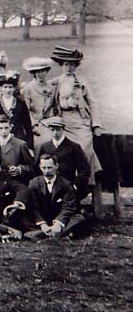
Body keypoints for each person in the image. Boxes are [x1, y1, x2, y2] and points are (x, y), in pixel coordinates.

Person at [47, 46, 102, 200]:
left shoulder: (81, 82)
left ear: (76, 66)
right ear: (62, 66)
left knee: (85, 150)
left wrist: (95, 124)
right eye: (66, 64)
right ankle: (63, 184)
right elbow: (39, 86)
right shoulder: (56, 81)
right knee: (63, 151)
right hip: (63, 122)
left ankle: (85, 183)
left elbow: (93, 103)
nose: (69, 67)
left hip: (80, 121)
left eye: (72, 65)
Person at [27, 154, 87, 238]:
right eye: (44, 168)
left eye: (49, 167)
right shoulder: (33, 183)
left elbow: (68, 207)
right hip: (42, 218)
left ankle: (46, 233)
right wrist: (42, 224)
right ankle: (58, 233)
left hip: (59, 217)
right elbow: (33, 207)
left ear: (56, 166)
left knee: (79, 218)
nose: (46, 171)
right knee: (22, 218)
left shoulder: (66, 184)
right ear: (40, 167)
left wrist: (58, 223)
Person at [35, 117, 91, 201]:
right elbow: (38, 168)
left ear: (63, 129)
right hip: (50, 185)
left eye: (58, 130)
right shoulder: (45, 147)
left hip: (68, 186)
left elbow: (84, 169)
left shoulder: (74, 147)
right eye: (53, 130)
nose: (56, 133)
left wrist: (75, 185)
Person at [0, 71, 34, 150]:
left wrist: (30, 146)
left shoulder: (21, 104)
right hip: (1, 138)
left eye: (10, 87)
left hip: (18, 138)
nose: (8, 90)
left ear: (14, 88)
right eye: (5, 87)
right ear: (1, 89)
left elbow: (27, 126)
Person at [21, 57, 55, 147]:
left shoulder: (52, 87)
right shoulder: (28, 88)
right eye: (38, 71)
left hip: (50, 122)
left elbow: (55, 107)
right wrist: (33, 125)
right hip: (35, 123)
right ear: (33, 73)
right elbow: (26, 110)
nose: (41, 74)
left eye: (43, 71)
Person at [0, 114, 34, 184]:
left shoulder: (21, 144)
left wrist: (19, 169)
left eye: (6, 128)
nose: (4, 131)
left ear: (11, 127)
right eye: (1, 128)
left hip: (17, 183)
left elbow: (31, 168)